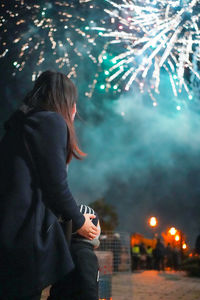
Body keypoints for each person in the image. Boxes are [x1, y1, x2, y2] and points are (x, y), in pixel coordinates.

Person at [0, 70, 98, 300]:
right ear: (68, 103)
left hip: (9, 229)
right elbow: (56, 187)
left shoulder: (21, 125)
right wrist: (80, 222)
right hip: (24, 236)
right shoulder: (51, 121)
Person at [48, 205, 101, 300]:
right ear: (91, 228)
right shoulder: (85, 254)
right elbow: (88, 290)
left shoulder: (65, 250)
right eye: (98, 225)